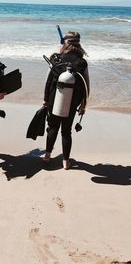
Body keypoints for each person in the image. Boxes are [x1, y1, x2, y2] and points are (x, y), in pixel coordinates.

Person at [42, 31, 90, 169]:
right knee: (66, 131)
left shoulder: (55, 58)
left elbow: (48, 80)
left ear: (65, 42)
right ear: (78, 43)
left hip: (53, 98)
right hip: (73, 101)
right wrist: (84, 105)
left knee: (53, 127)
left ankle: (47, 156)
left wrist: (45, 99)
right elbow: (87, 84)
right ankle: (65, 162)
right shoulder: (82, 62)